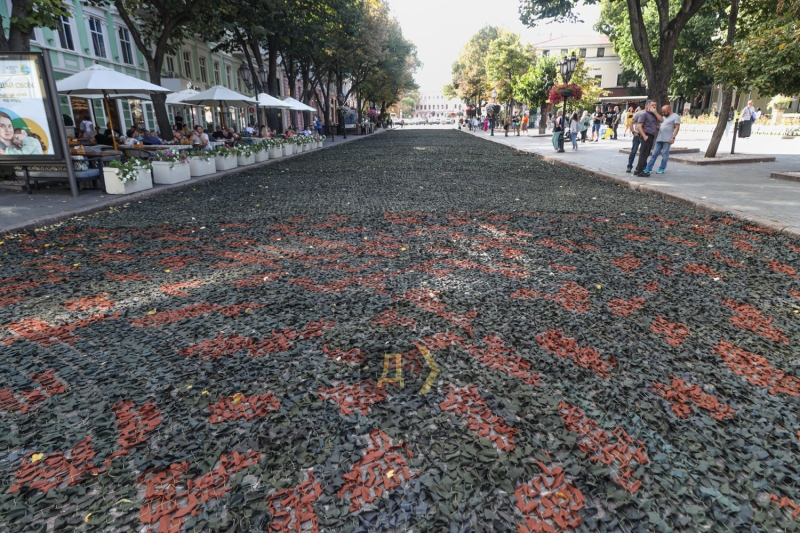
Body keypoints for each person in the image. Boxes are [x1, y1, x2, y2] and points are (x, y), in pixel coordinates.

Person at [643, 104, 680, 175]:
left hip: (667, 138)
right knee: (654, 154)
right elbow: (663, 125)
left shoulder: (676, 116)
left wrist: (673, 137)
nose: (663, 113)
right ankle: (649, 168)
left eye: (664, 111)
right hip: (659, 138)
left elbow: (677, 128)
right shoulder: (664, 117)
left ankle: (662, 168)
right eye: (662, 112)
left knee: (665, 154)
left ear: (669, 110)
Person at [634, 100, 664, 177]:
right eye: (652, 105)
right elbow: (639, 126)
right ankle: (640, 171)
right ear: (647, 106)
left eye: (655, 105)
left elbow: (661, 120)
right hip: (646, 136)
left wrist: (655, 112)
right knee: (643, 154)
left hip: (651, 136)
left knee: (646, 154)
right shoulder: (644, 114)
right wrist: (644, 136)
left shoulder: (654, 115)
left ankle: (638, 169)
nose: (654, 106)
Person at [626, 106, 644, 173]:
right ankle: (629, 166)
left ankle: (639, 167)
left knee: (643, 153)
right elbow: (631, 123)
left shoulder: (651, 115)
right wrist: (633, 132)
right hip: (637, 135)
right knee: (633, 151)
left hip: (645, 136)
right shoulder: (639, 114)